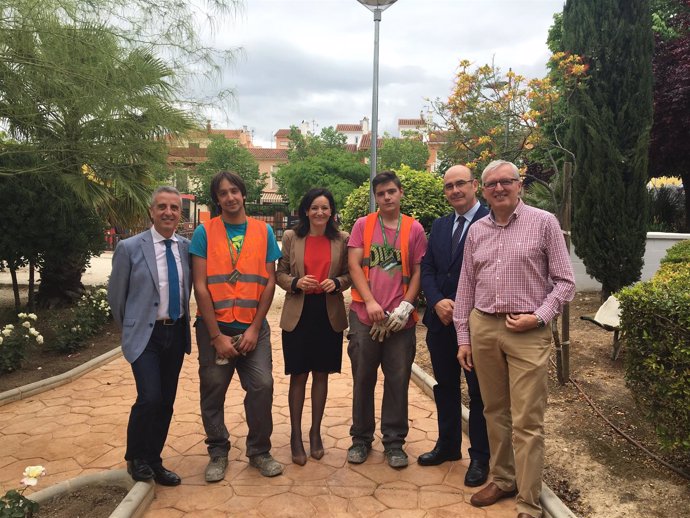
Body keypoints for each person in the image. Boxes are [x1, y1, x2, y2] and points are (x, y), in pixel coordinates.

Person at [454, 160, 575, 518]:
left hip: (527, 332)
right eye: (491, 184)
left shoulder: (544, 223)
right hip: (485, 327)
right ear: (484, 190)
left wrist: (539, 316)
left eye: (506, 182)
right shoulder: (478, 230)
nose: (499, 188)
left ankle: (528, 500)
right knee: (494, 411)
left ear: (519, 185)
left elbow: (565, 281)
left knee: (527, 419)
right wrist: (464, 336)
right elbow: (466, 287)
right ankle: (503, 478)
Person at [191, 170, 283, 481]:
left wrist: (256, 329)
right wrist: (215, 335)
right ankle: (218, 451)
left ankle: (259, 451)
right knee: (213, 391)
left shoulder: (263, 232)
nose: (230, 197)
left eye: (234, 191)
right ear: (216, 199)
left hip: (252, 328)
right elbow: (201, 285)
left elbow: (269, 283)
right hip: (214, 330)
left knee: (262, 386)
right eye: (222, 193)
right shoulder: (205, 232)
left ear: (243, 194)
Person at [108, 186, 192, 486]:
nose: (168, 212)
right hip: (146, 336)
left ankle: (155, 460)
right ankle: (136, 457)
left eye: (174, 208)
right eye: (162, 207)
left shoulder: (184, 247)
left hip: (176, 333)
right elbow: (116, 297)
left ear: (180, 214)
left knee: (166, 401)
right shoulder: (129, 248)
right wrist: (131, 327)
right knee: (150, 397)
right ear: (151, 211)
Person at [346, 170, 428, 469]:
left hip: (400, 322)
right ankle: (361, 439)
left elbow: (419, 270)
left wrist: (407, 305)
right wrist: (370, 302)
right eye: (381, 194)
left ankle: (394, 442)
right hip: (365, 318)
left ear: (400, 192)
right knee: (363, 380)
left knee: (397, 381)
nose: (387, 197)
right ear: (375, 197)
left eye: (391, 191)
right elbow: (354, 264)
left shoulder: (414, 229)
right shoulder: (363, 226)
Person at [419, 165, 490, 486]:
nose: (455, 190)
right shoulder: (441, 224)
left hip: (476, 324)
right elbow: (429, 268)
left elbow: (489, 275)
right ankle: (448, 446)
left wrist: (459, 305)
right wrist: (435, 301)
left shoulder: (491, 222)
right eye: (448, 186)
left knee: (479, 393)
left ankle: (480, 457)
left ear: (475, 185)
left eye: (460, 184)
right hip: (440, 321)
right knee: (445, 387)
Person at [276, 188, 351, 466]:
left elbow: (348, 273)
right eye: (314, 207)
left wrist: (339, 283)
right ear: (305, 211)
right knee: (298, 376)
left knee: (322, 375)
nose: (320, 212)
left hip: (328, 313)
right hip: (299, 312)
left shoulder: (342, 239)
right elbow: (280, 272)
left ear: (332, 211)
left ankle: (315, 432)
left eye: (325, 207)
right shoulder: (291, 237)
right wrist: (295, 283)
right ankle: (296, 436)